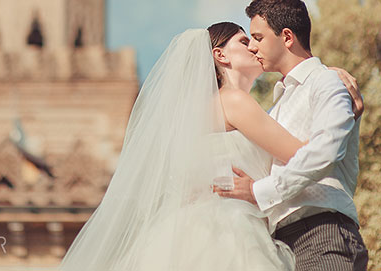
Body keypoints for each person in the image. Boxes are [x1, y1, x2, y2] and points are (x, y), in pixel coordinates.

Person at [59, 21, 343, 271]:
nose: (255, 48)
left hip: (188, 230)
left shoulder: (201, 111)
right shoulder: (234, 101)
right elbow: (301, 155)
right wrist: (340, 106)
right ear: (220, 55)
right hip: (231, 231)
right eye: (245, 42)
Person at [214, 0, 368, 271]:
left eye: (258, 38)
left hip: (322, 232)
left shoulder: (326, 83)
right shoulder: (275, 107)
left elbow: (325, 153)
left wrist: (257, 190)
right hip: (281, 244)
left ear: (286, 37)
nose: (252, 47)